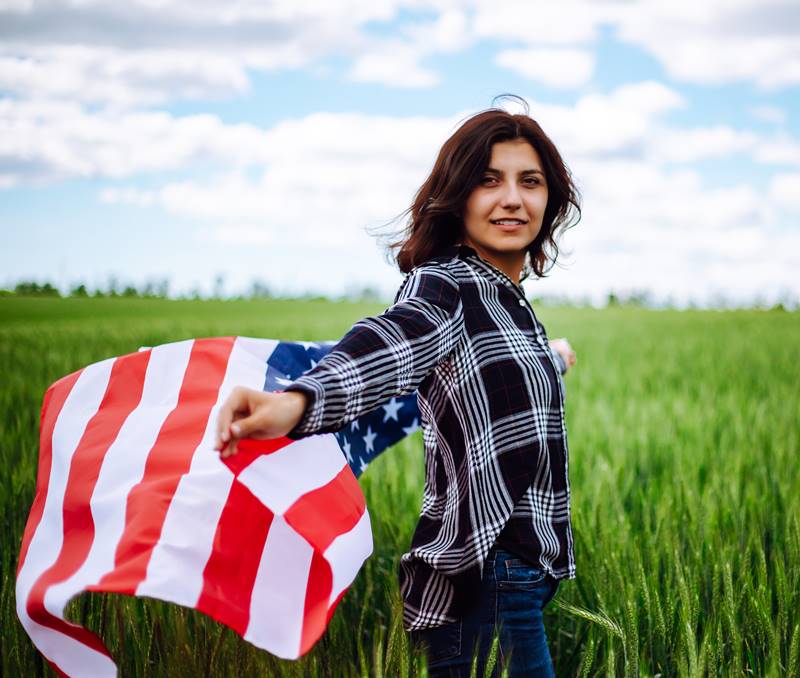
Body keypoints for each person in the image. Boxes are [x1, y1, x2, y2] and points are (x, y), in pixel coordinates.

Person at [215, 96, 581, 677]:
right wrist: (296, 403)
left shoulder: (508, 304)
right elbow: (390, 345)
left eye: (530, 181)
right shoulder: (446, 285)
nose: (512, 197)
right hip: (486, 584)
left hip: (522, 583)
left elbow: (491, 387)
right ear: (457, 196)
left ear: (549, 199)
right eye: (489, 181)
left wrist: (551, 357)